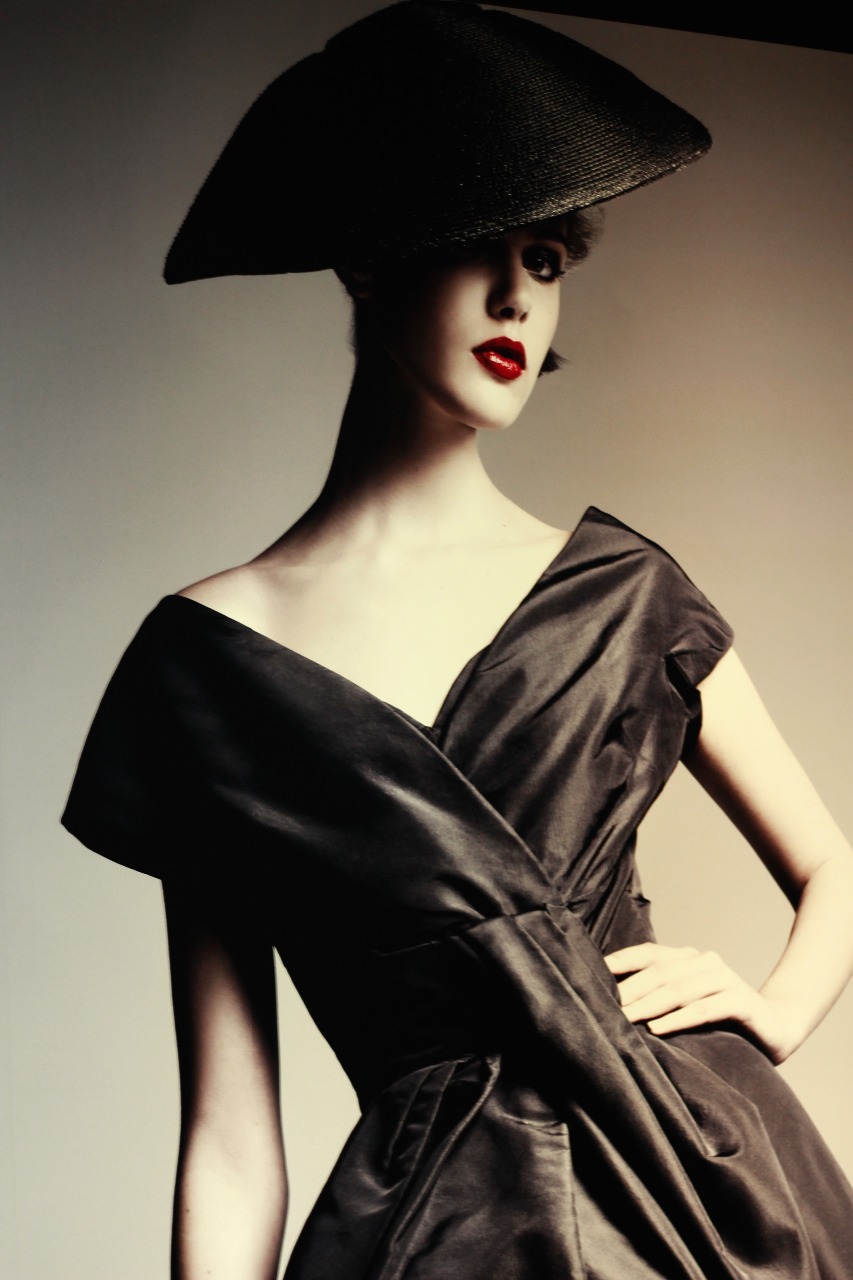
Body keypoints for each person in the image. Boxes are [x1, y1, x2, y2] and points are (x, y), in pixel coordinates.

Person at [62, 3, 853, 1277]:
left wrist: (773, 1008)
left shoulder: (625, 593)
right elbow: (229, 1132)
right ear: (367, 262)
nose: (515, 294)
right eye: (472, 241)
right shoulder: (206, 671)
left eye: (546, 256)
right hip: (441, 1233)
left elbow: (833, 866)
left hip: (712, 1201)